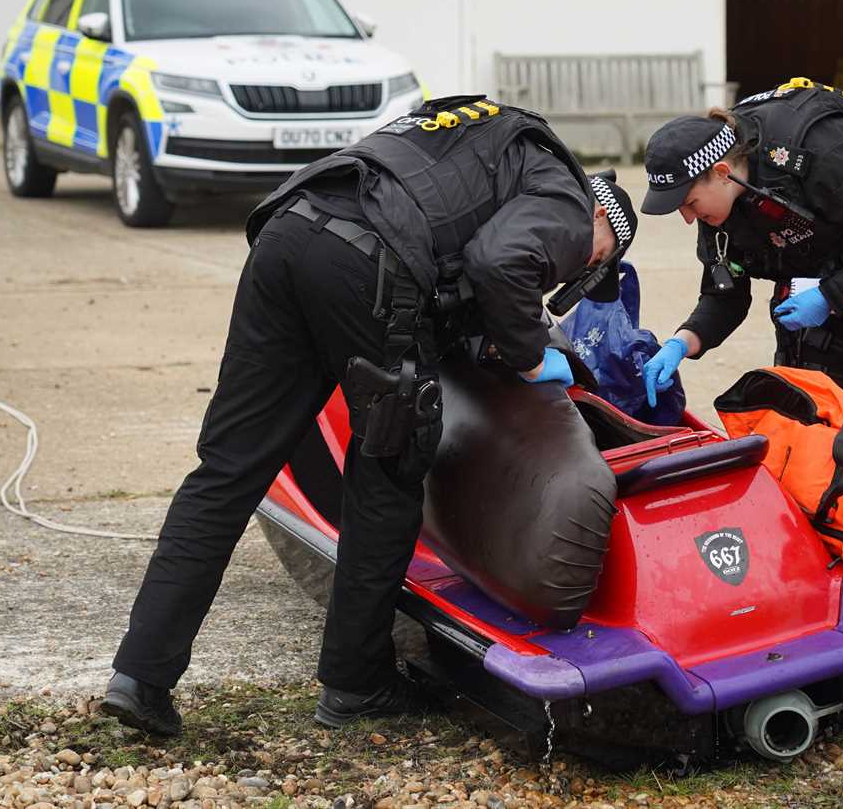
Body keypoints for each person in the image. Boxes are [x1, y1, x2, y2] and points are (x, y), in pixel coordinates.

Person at [101, 95, 634, 735]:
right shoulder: (573, 203)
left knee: (228, 468)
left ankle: (140, 676)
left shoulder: (486, 132)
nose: (574, 266)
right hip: (367, 264)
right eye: (590, 262)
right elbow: (499, 265)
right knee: (388, 477)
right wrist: (530, 357)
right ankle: (356, 685)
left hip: (289, 229)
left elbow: (450, 235)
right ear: (602, 237)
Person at [637, 78, 843, 504]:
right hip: (831, 274)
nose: (687, 218)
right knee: (817, 421)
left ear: (721, 173)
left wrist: (830, 296)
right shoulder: (719, 209)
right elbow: (725, 295)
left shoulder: (816, 152)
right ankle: (841, 544)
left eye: (689, 203)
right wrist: (681, 344)